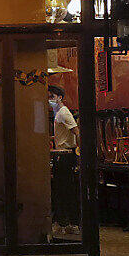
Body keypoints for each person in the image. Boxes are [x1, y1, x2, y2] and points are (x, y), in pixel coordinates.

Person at [47, 85, 80, 234]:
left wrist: (80, 153)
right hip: (62, 153)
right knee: (61, 189)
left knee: (64, 189)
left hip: (66, 155)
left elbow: (76, 131)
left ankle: (68, 222)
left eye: (52, 97)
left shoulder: (64, 113)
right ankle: (64, 221)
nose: (50, 100)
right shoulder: (58, 113)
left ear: (60, 97)